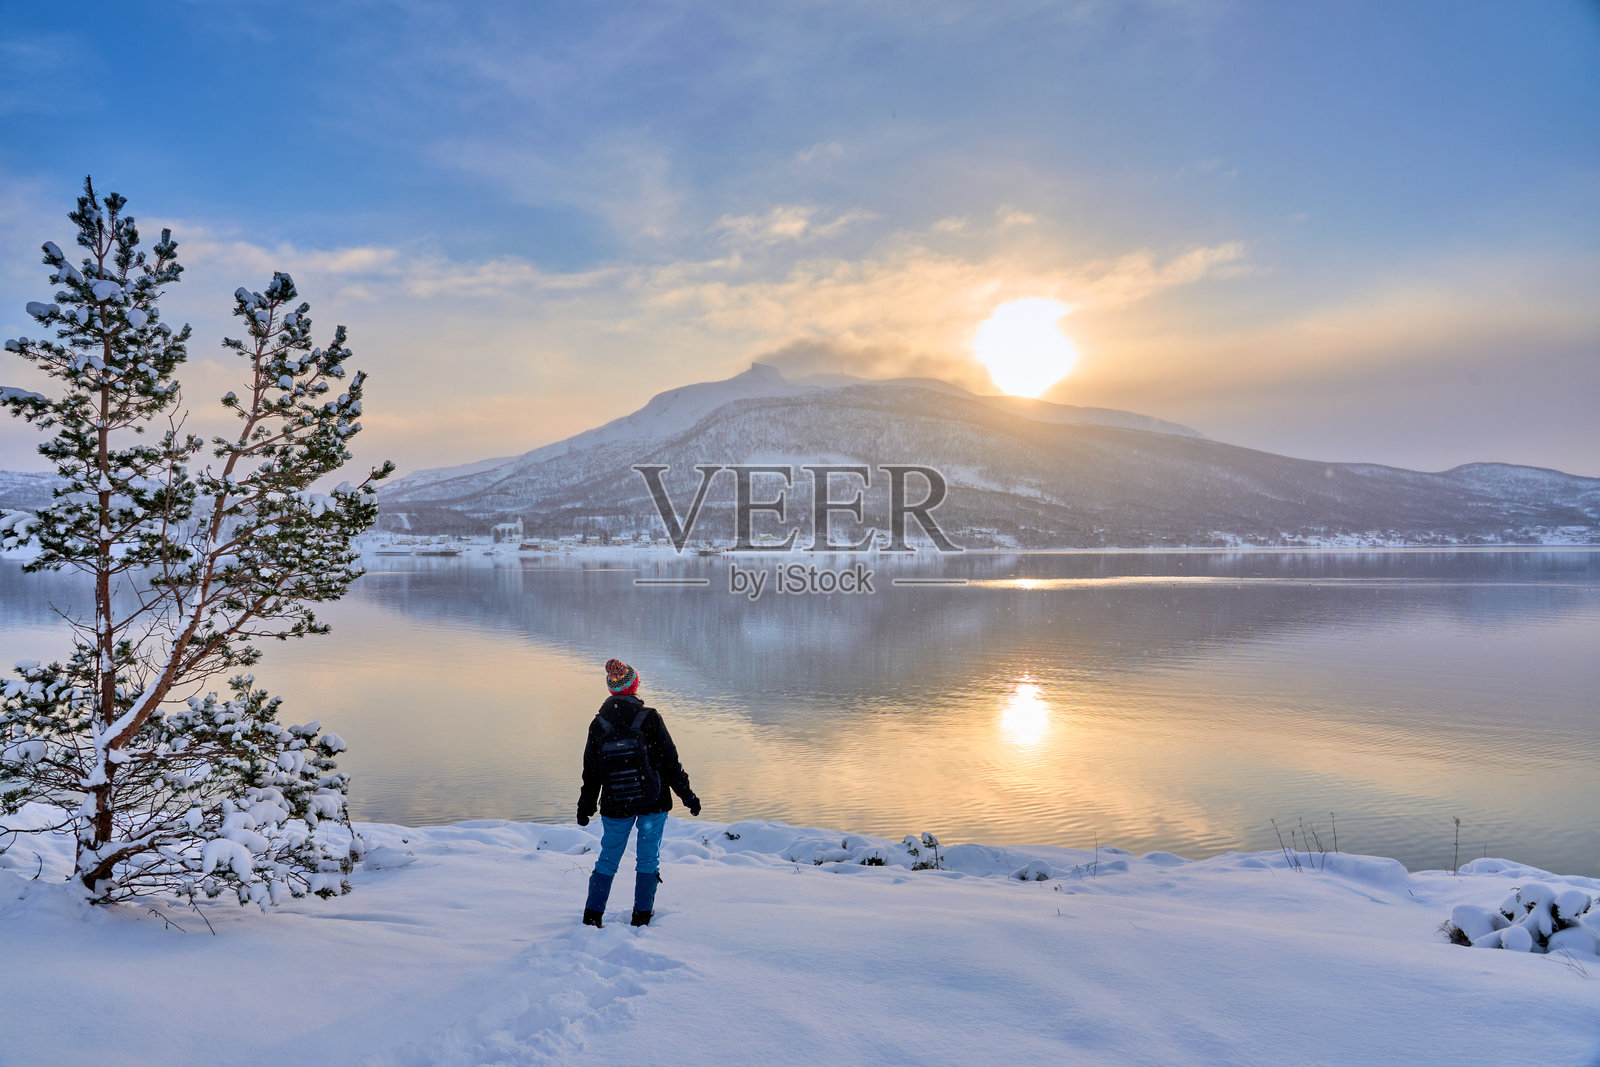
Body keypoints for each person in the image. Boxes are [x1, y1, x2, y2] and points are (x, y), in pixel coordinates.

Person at [577, 658, 701, 928]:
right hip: (652, 802)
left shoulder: (598, 724)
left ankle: (592, 917)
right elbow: (670, 764)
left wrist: (585, 807)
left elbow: (591, 772)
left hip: (615, 804)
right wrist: (688, 797)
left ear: (611, 690)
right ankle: (641, 918)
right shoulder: (650, 718)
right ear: (634, 686)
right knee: (647, 859)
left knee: (607, 859)